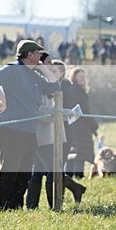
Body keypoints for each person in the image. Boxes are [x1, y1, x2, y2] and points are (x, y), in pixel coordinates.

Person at [0, 40, 61, 212]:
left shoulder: (34, 75)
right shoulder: (13, 68)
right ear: (30, 54)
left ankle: (16, 207)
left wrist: (44, 69)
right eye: (38, 53)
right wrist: (2, 98)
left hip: (29, 130)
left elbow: (55, 87)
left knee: (25, 171)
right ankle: (3, 207)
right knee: (11, 168)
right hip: (9, 128)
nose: (41, 56)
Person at [26, 58, 86, 209]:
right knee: (46, 169)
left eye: (54, 71)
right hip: (44, 133)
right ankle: (58, 200)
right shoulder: (42, 87)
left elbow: (55, 111)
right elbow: (46, 113)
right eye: (49, 70)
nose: (50, 72)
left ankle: (53, 204)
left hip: (59, 133)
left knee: (50, 169)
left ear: (61, 74)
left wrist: (68, 114)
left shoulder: (64, 88)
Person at [63, 67, 98, 178]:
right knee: (79, 155)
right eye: (80, 77)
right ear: (74, 78)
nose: (83, 79)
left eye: (84, 77)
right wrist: (94, 127)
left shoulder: (73, 90)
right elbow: (85, 112)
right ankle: (79, 177)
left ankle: (67, 178)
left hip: (72, 126)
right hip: (80, 128)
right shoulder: (78, 92)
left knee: (72, 155)